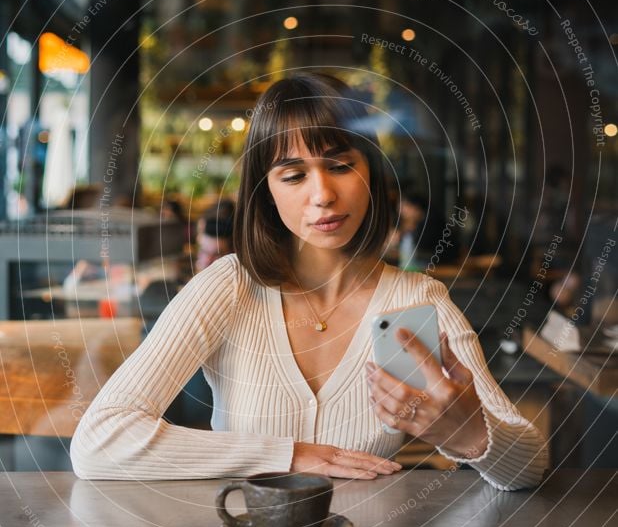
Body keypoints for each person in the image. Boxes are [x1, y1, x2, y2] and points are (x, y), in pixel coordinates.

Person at [70, 74, 548, 489]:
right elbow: (99, 440)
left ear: (371, 174)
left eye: (340, 166)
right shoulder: (229, 287)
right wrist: (287, 454)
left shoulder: (415, 299)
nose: (322, 195)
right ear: (266, 192)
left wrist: (470, 436)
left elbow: (530, 467)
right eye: (294, 175)